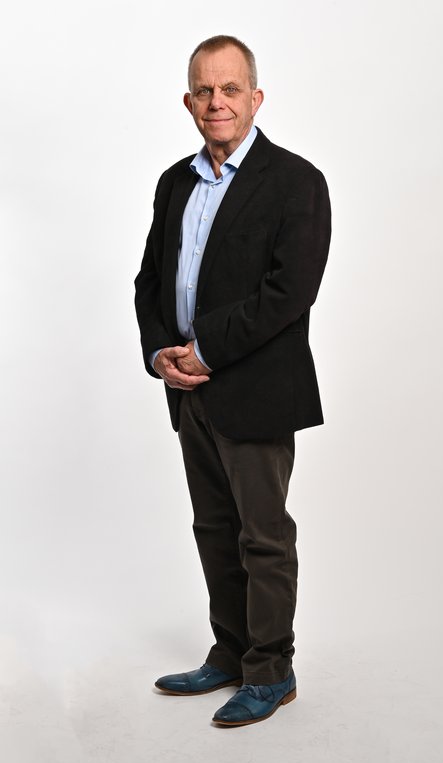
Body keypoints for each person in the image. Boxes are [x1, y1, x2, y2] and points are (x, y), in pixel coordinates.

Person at [132, 34, 332, 728]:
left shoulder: (296, 181)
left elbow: (289, 292)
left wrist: (207, 350)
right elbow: (151, 279)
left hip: (256, 388)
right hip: (188, 390)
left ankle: (271, 669)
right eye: (204, 90)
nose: (216, 102)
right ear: (189, 102)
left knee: (262, 535)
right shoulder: (175, 182)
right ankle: (232, 651)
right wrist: (160, 351)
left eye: (230, 89)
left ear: (255, 98)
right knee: (213, 528)